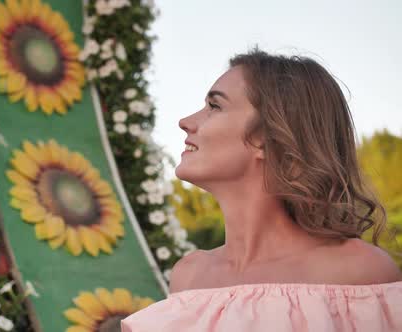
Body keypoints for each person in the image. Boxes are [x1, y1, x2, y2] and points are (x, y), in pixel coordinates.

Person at [120, 47, 402, 331]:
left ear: (266, 138)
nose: (185, 122)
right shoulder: (189, 276)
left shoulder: (360, 273)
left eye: (214, 106)